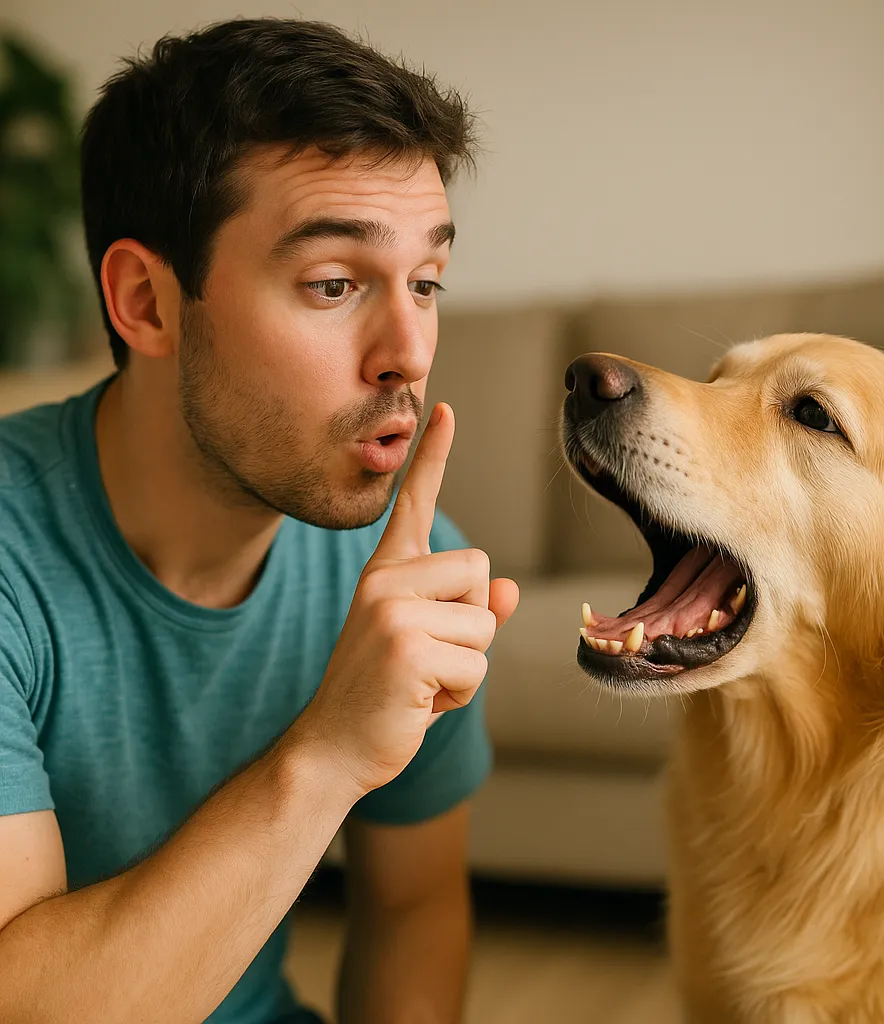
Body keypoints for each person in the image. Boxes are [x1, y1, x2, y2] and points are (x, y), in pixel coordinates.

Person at [0, 18, 519, 1024]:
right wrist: (328, 753)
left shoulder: (411, 572)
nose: (408, 351)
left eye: (427, 283)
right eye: (334, 284)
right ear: (145, 302)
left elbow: (412, 908)